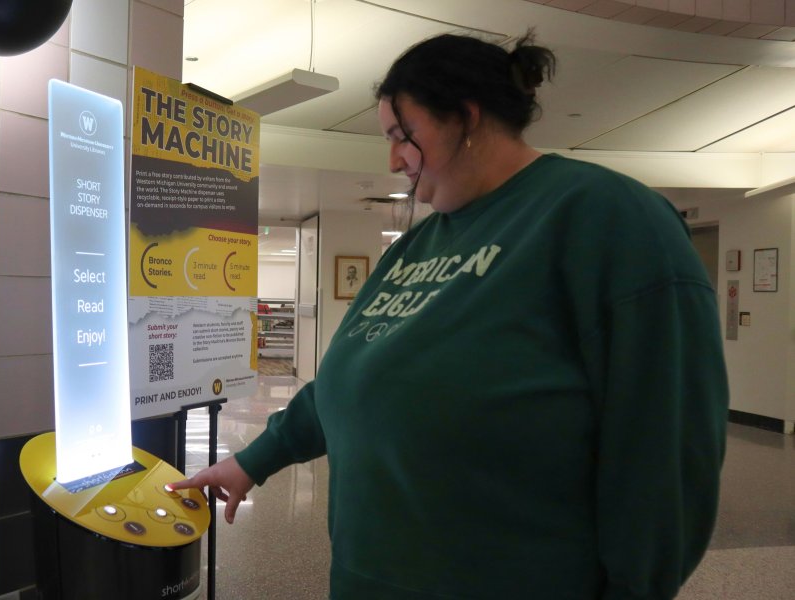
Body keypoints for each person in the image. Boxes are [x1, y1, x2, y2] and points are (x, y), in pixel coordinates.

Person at [171, 32, 729, 599]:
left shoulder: (605, 218)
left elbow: (664, 452)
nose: (391, 159)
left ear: (465, 116)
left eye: (400, 135)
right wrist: (251, 461)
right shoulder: (415, 246)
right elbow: (349, 379)